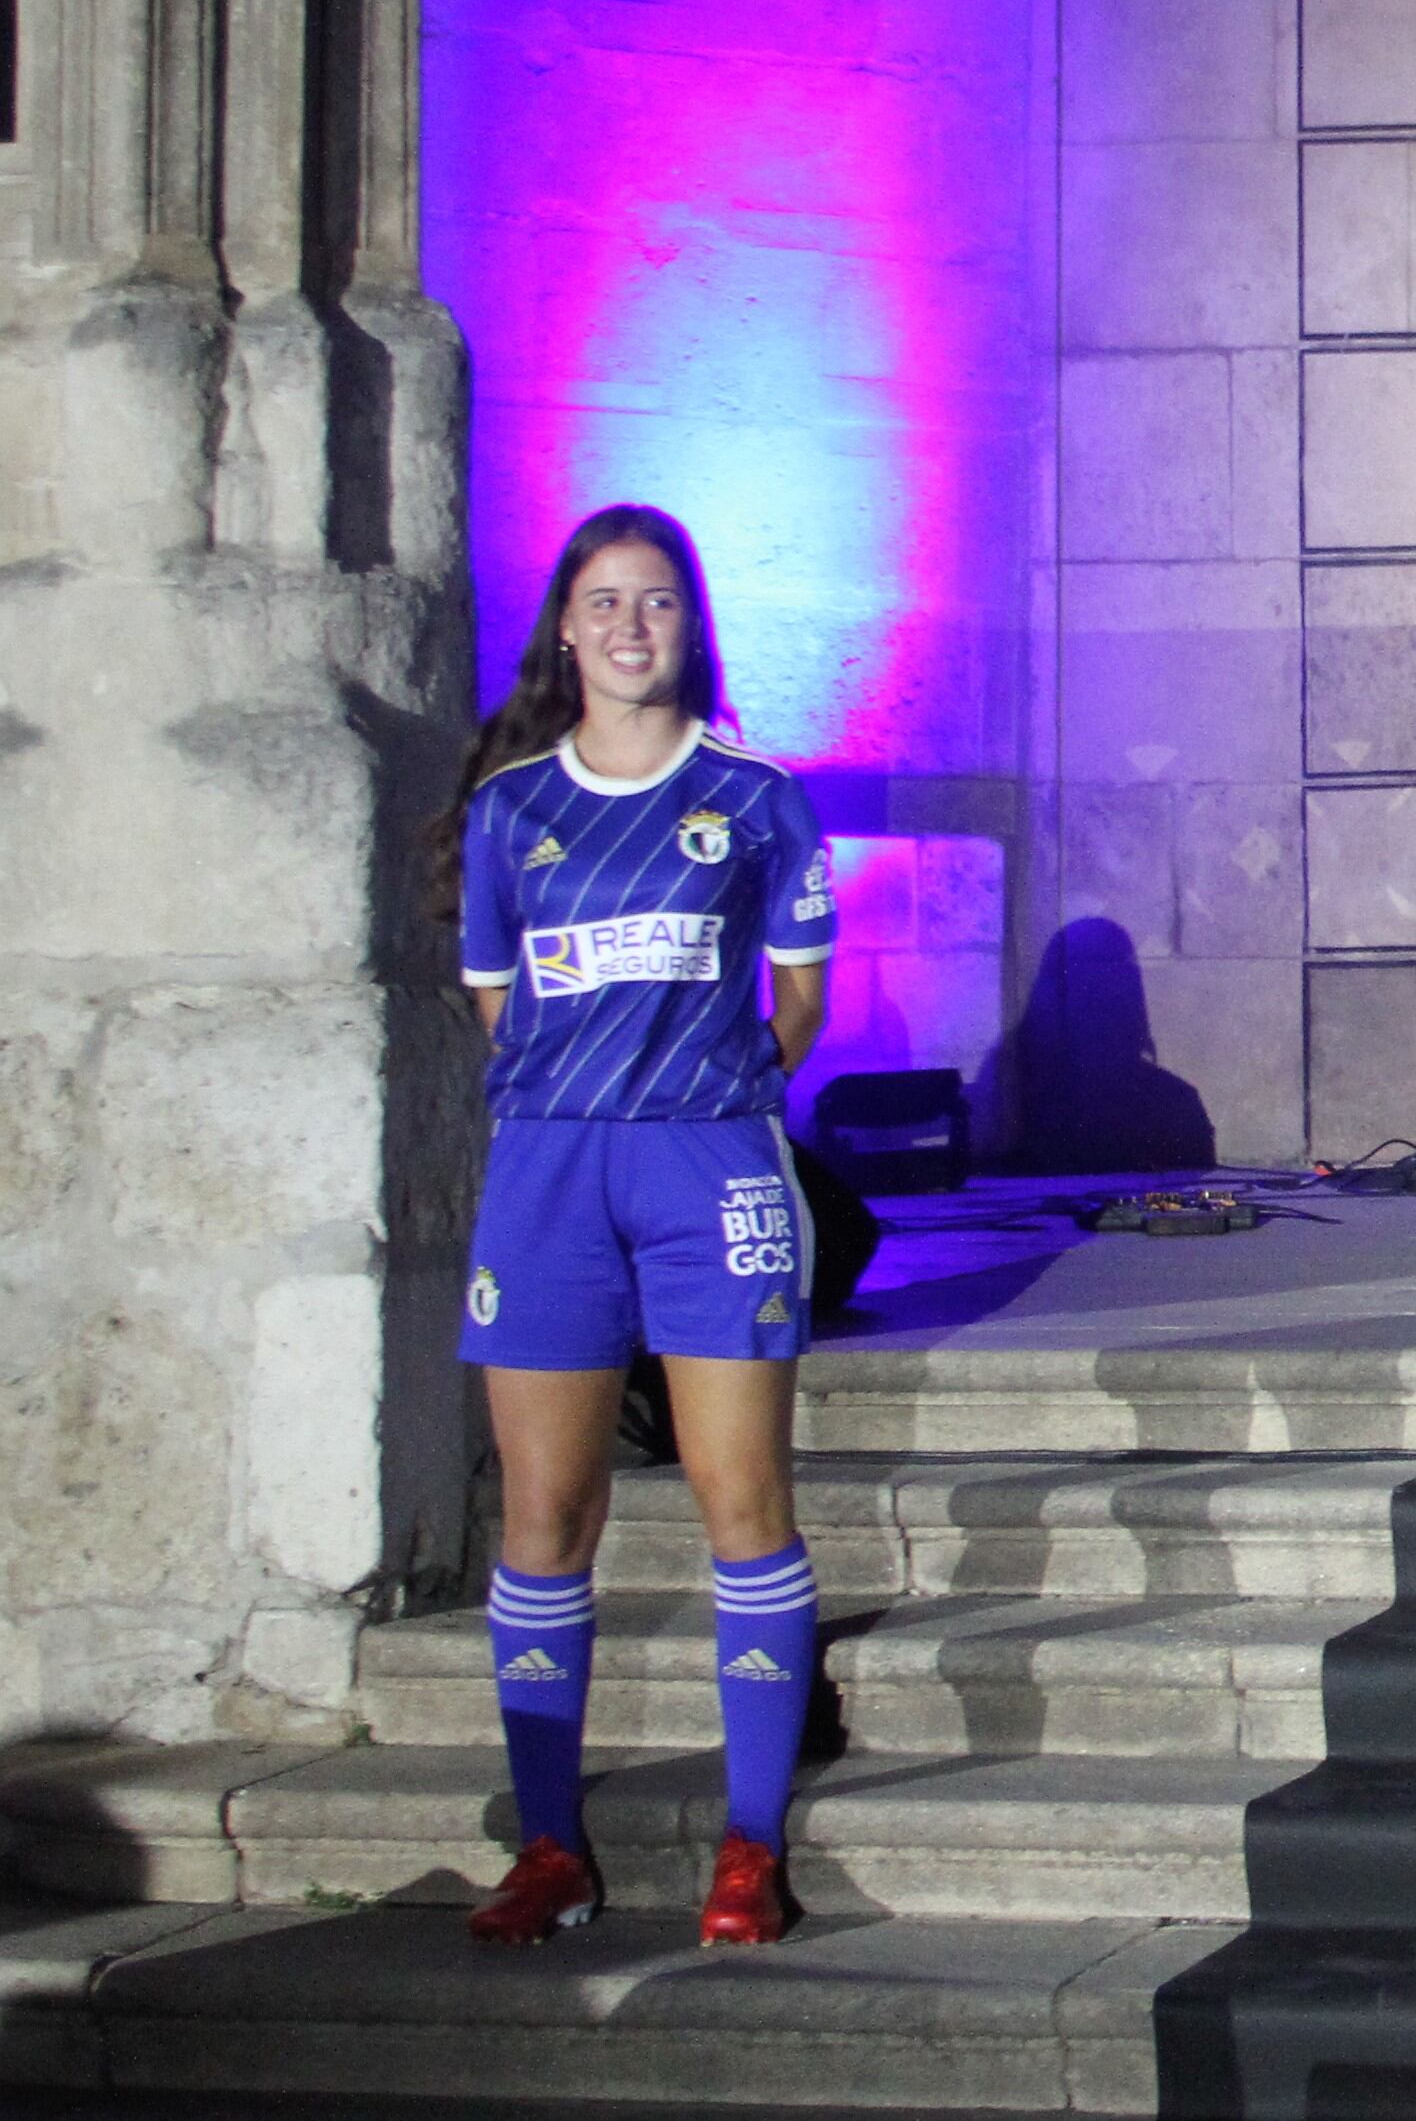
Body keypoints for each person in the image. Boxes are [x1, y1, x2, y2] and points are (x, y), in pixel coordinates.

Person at [445, 503, 836, 1948]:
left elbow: (796, 999)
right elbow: (498, 1003)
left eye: (656, 602)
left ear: (691, 625)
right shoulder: (510, 812)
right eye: (603, 602)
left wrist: (709, 1092)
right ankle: (551, 1845)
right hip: (548, 1175)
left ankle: (748, 1846)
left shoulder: (758, 798)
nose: (628, 626)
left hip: (707, 1170)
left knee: (745, 1509)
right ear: (565, 628)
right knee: (547, 1517)